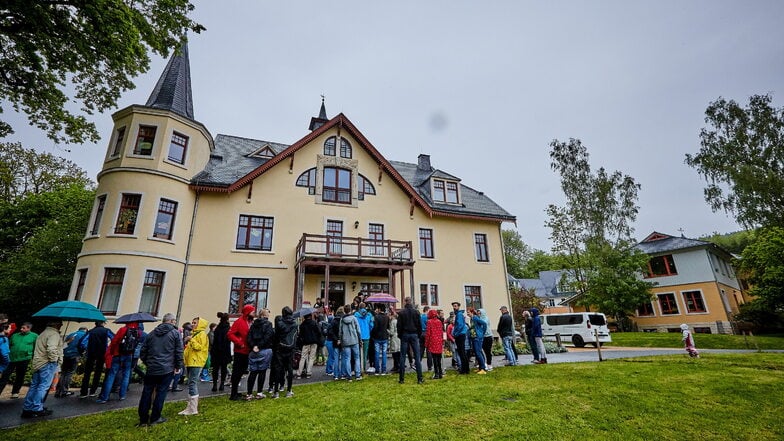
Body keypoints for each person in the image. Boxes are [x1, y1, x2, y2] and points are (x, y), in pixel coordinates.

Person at [138, 313, 184, 427]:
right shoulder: (175, 334)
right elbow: (179, 351)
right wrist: (178, 366)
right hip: (167, 368)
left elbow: (143, 351)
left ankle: (143, 419)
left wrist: (148, 362)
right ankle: (155, 417)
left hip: (152, 368)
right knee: (161, 393)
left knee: (147, 392)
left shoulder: (152, 334)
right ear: (172, 321)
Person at [21, 319, 63, 418]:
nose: (61, 325)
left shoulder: (43, 333)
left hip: (38, 362)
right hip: (47, 363)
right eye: (60, 323)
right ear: (56, 324)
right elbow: (51, 348)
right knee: (43, 386)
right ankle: (37, 408)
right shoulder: (54, 334)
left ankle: (27, 408)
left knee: (34, 386)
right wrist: (54, 360)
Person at [97, 321, 140, 403]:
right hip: (129, 355)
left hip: (118, 354)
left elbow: (114, 341)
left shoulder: (123, 329)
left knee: (112, 375)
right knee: (126, 375)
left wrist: (112, 352)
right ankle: (122, 395)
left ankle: (104, 397)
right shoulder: (137, 332)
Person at [178, 316, 209, 415]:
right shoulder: (195, 334)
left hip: (196, 362)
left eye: (195, 323)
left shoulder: (202, 334)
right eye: (192, 322)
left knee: (192, 383)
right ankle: (190, 407)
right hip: (191, 361)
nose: (192, 324)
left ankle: (193, 408)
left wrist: (191, 340)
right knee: (191, 383)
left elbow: (199, 347)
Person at [0, 321, 37, 398]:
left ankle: (15, 392)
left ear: (29, 328)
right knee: (5, 376)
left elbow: (36, 347)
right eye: (21, 327)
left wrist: (33, 356)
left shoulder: (34, 336)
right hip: (11, 358)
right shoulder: (15, 335)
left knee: (20, 376)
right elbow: (8, 346)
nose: (21, 329)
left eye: (23, 328)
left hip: (24, 359)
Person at [79, 321, 114, 398]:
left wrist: (85, 349)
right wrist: (109, 349)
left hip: (91, 353)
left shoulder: (91, 331)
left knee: (87, 373)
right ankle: (93, 391)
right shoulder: (106, 330)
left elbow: (83, 342)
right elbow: (114, 339)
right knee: (98, 372)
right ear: (103, 323)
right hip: (102, 353)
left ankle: (83, 392)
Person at [227, 304, 255, 400]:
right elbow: (230, 334)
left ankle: (236, 392)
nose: (254, 313)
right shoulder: (239, 322)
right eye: (252, 312)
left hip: (247, 350)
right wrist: (239, 343)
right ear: (248, 312)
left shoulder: (249, 322)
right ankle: (233, 394)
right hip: (240, 350)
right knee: (237, 372)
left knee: (242, 371)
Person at [246, 309, 274, 399]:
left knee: (253, 372)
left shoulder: (254, 324)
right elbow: (268, 337)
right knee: (262, 371)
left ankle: (249, 393)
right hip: (264, 349)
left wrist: (253, 346)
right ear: (266, 315)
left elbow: (249, 336)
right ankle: (259, 392)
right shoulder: (268, 324)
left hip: (253, 350)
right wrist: (259, 346)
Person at [272, 306, 298, 398]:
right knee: (290, 370)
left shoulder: (279, 323)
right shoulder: (295, 324)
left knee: (278, 369)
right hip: (290, 348)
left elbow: (276, 336)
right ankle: (289, 390)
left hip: (280, 348)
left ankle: (276, 392)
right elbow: (295, 336)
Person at [397, 297, 424, 384]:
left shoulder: (401, 313)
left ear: (405, 302)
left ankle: (401, 379)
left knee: (402, 356)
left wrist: (400, 335)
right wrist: (418, 335)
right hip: (414, 334)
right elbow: (419, 325)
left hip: (405, 334)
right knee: (417, 356)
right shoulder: (416, 312)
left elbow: (399, 326)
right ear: (411, 302)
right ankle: (420, 378)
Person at [55, 326, 88, 397]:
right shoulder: (84, 336)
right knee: (69, 373)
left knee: (63, 372)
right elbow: (84, 345)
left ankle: (58, 390)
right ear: (85, 330)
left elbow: (65, 343)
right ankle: (64, 390)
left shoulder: (71, 334)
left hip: (66, 354)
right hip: (75, 355)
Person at [338, 305, 362, 382]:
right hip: (354, 340)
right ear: (351, 310)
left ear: (344, 311)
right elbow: (358, 330)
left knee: (347, 358)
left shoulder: (342, 320)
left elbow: (340, 332)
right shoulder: (354, 318)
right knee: (357, 358)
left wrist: (340, 340)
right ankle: (358, 375)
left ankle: (349, 376)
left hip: (345, 341)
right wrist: (360, 339)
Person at [211, 312, 231, 392]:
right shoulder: (228, 328)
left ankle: (215, 385)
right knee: (223, 368)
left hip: (216, 351)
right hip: (225, 351)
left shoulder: (217, 328)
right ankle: (222, 384)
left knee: (215, 369)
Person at [295, 313, 320, 379]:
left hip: (305, 343)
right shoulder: (314, 323)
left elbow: (300, 335)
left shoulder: (302, 325)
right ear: (310, 316)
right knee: (311, 358)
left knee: (303, 357)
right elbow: (319, 332)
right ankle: (308, 373)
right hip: (314, 342)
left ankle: (299, 373)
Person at [353, 302, 374, 373]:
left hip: (358, 336)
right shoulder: (369, 315)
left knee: (357, 354)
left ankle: (357, 369)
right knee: (365, 354)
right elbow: (371, 325)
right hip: (366, 336)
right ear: (365, 307)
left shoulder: (355, 315)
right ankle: (363, 369)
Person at [424, 309, 444, 379]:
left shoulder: (429, 322)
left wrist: (426, 344)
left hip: (432, 341)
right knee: (439, 358)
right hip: (439, 341)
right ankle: (440, 373)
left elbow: (428, 333)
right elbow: (441, 332)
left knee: (434, 359)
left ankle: (436, 374)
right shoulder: (439, 321)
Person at [467, 309, 488, 374]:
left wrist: (482, 333)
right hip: (474, 337)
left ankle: (483, 369)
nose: (467, 314)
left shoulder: (475, 318)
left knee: (478, 353)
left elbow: (484, 324)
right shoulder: (472, 319)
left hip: (477, 337)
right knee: (478, 353)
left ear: (472, 312)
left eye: (468, 312)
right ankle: (480, 368)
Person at [451, 302, 469, 374]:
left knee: (462, 352)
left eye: (455, 306)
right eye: (453, 306)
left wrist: (455, 333)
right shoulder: (458, 314)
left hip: (460, 335)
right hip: (460, 334)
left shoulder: (459, 314)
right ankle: (465, 369)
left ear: (458, 307)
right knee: (462, 352)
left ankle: (464, 369)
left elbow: (460, 325)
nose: (454, 307)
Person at [370, 307, 390, 375]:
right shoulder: (387, 317)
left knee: (377, 354)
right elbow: (388, 327)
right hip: (384, 337)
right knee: (384, 354)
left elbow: (375, 327)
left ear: (379, 309)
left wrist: (373, 334)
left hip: (377, 337)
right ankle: (384, 370)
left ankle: (377, 370)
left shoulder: (376, 317)